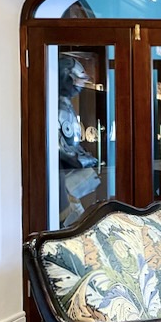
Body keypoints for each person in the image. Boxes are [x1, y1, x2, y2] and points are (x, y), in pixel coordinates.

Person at [57, 55, 100, 226]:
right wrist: (80, 159)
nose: (81, 84)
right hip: (61, 175)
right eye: (77, 79)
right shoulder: (57, 107)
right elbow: (57, 146)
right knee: (73, 222)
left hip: (67, 172)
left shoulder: (65, 104)